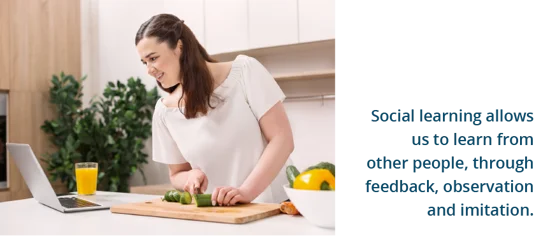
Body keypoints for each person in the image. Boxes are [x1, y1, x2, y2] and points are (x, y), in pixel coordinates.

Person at [135, 14, 295, 206]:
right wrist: (190, 176)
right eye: (145, 62)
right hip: (222, 215)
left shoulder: (245, 72)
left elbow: (282, 139)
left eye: (153, 58)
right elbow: (176, 174)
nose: (149, 70)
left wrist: (245, 192)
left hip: (278, 206)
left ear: (179, 47)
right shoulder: (164, 112)